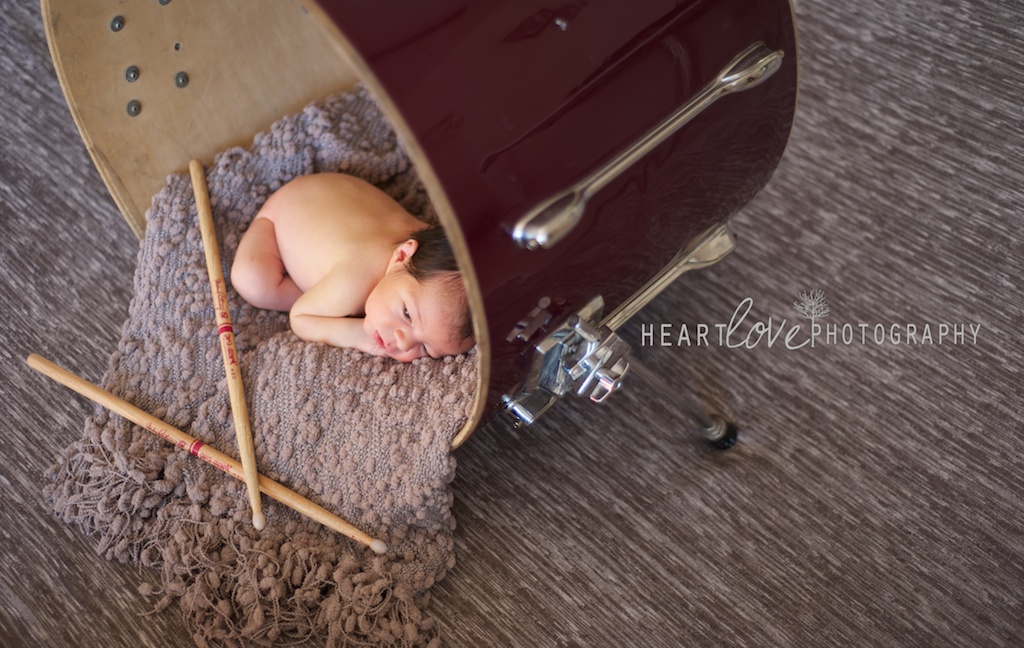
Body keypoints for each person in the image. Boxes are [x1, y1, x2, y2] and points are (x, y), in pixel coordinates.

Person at [230, 173, 474, 362]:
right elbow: (300, 318)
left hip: (338, 193)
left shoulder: (422, 254)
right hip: (281, 214)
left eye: (425, 349)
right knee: (252, 283)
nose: (402, 342)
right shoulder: (354, 281)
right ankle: (318, 296)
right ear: (401, 255)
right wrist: (357, 334)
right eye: (407, 314)